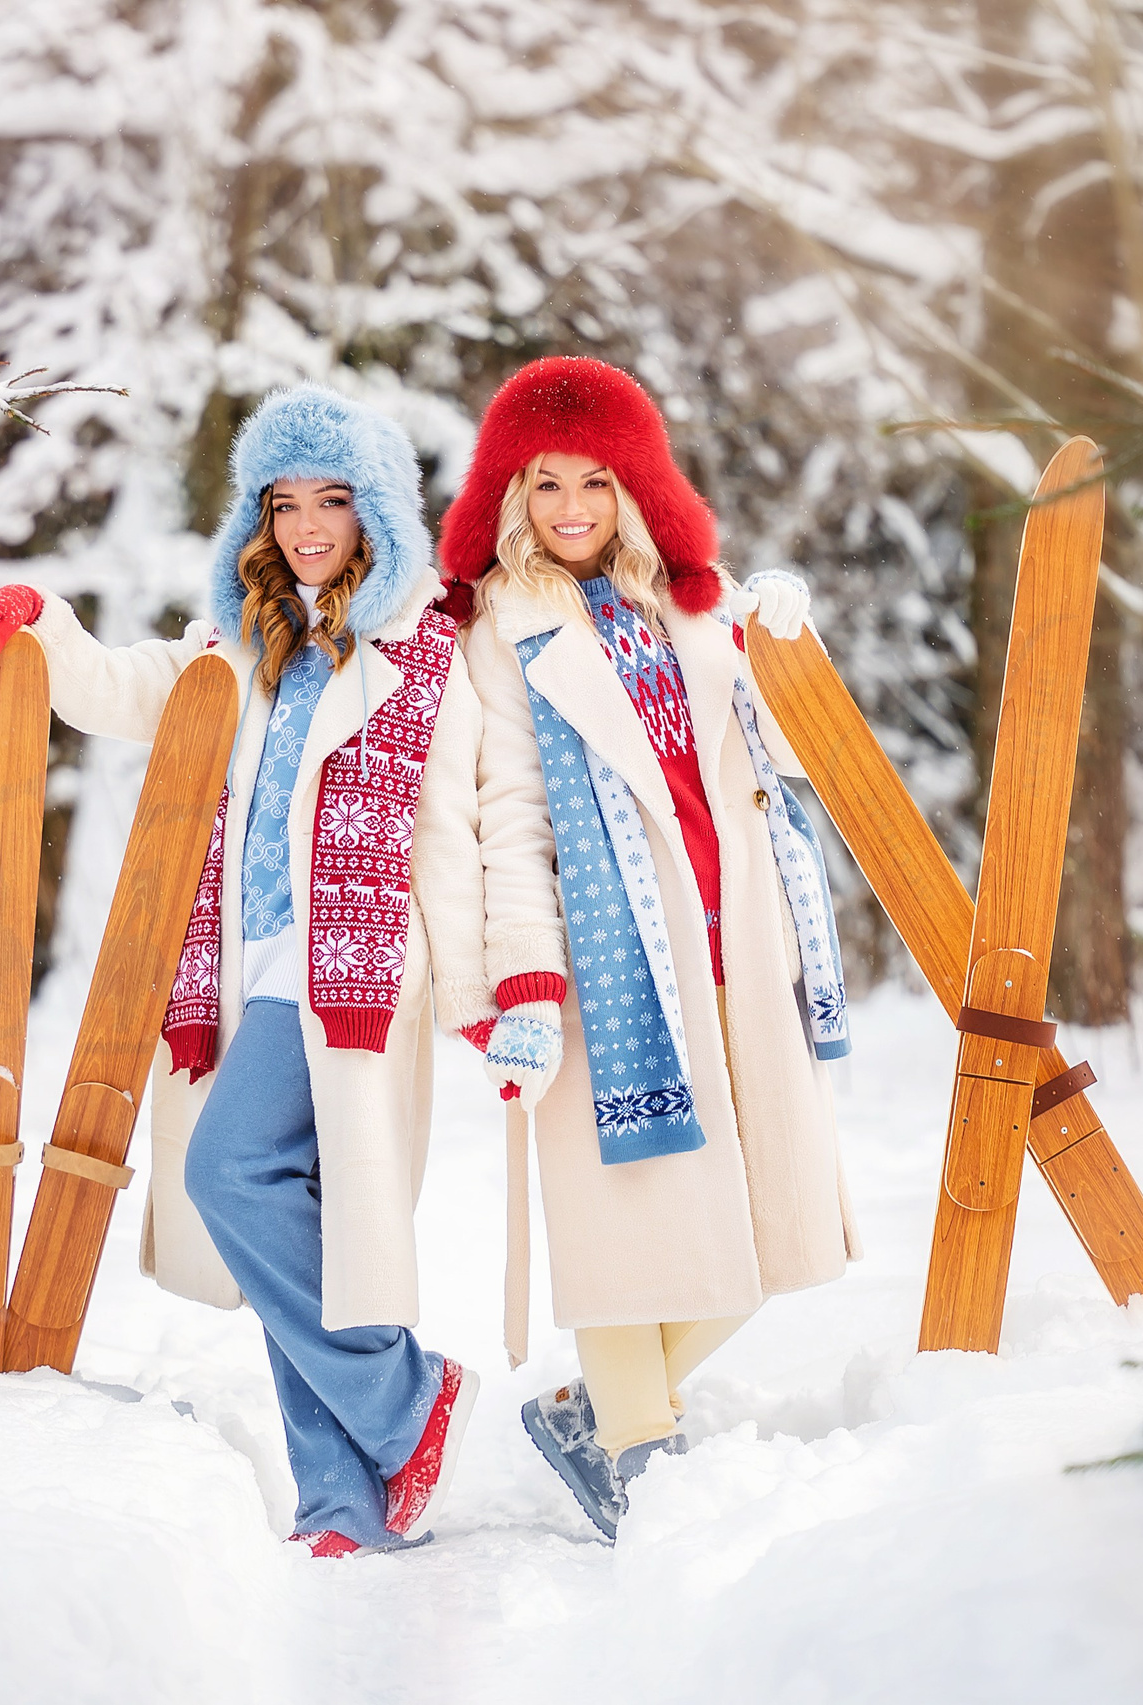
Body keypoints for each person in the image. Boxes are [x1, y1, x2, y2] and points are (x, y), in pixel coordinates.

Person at [0, 386, 493, 1557]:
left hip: (347, 964)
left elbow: (448, 827)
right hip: (249, 968)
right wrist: (35, 616)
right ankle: (342, 1500)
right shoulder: (235, 644)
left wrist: (483, 991)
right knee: (294, 1224)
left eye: (334, 500)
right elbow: (111, 687)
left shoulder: (428, 655)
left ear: (381, 511)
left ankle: (408, 1397)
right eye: (284, 502)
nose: (307, 526)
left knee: (231, 1173)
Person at [441, 357, 861, 1542]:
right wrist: (523, 976)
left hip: (740, 939)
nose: (570, 506)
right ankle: (638, 1455)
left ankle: (599, 1418)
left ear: (636, 487)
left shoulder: (693, 600)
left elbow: (784, 755)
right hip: (606, 963)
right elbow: (510, 817)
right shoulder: (498, 635)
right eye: (544, 482)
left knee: (781, 1221)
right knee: (629, 1227)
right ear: (508, 495)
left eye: (595, 479)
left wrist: (784, 637)